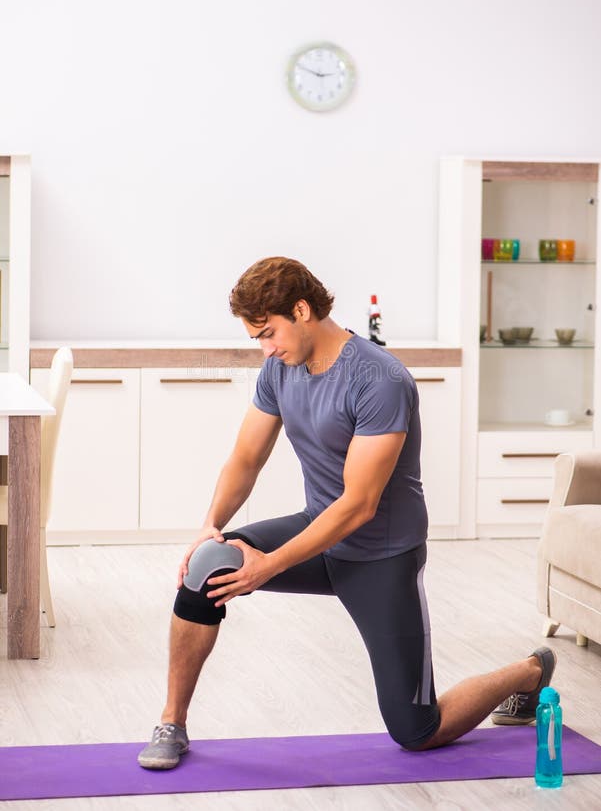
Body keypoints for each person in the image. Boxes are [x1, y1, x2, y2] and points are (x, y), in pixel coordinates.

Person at [138, 256, 556, 769]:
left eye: (270, 333)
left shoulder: (379, 379)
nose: (266, 348)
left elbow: (359, 505)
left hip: (380, 555)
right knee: (206, 567)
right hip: (317, 534)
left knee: (416, 732)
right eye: (258, 340)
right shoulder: (280, 368)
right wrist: (211, 526)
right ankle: (172, 722)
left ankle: (530, 672)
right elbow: (247, 457)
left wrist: (269, 565)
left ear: (302, 309)